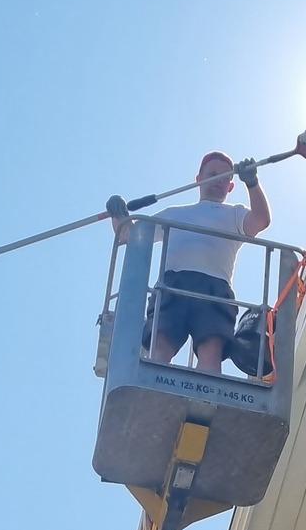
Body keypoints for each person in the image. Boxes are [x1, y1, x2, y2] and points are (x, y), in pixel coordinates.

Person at [112, 152, 271, 374]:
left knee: (211, 351)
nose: (217, 181)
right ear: (198, 179)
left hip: (215, 288)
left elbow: (261, 220)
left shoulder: (235, 214)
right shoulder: (174, 214)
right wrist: (119, 215)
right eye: (212, 174)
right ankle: (151, 391)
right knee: (159, 346)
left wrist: (252, 183)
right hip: (172, 285)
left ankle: (205, 401)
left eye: (224, 178)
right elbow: (128, 236)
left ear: (231, 187)